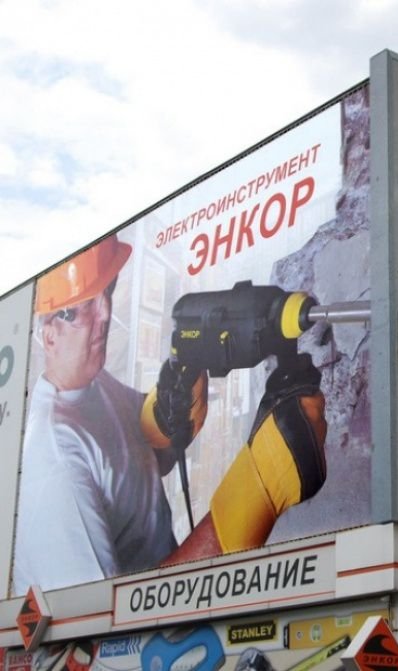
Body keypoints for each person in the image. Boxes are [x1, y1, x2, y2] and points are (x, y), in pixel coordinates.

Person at [13, 234, 327, 594]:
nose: (105, 313)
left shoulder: (95, 385)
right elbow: (106, 615)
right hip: (153, 627)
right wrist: (259, 486)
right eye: (82, 307)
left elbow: (138, 465)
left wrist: (165, 418)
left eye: (107, 291)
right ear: (48, 335)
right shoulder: (53, 461)